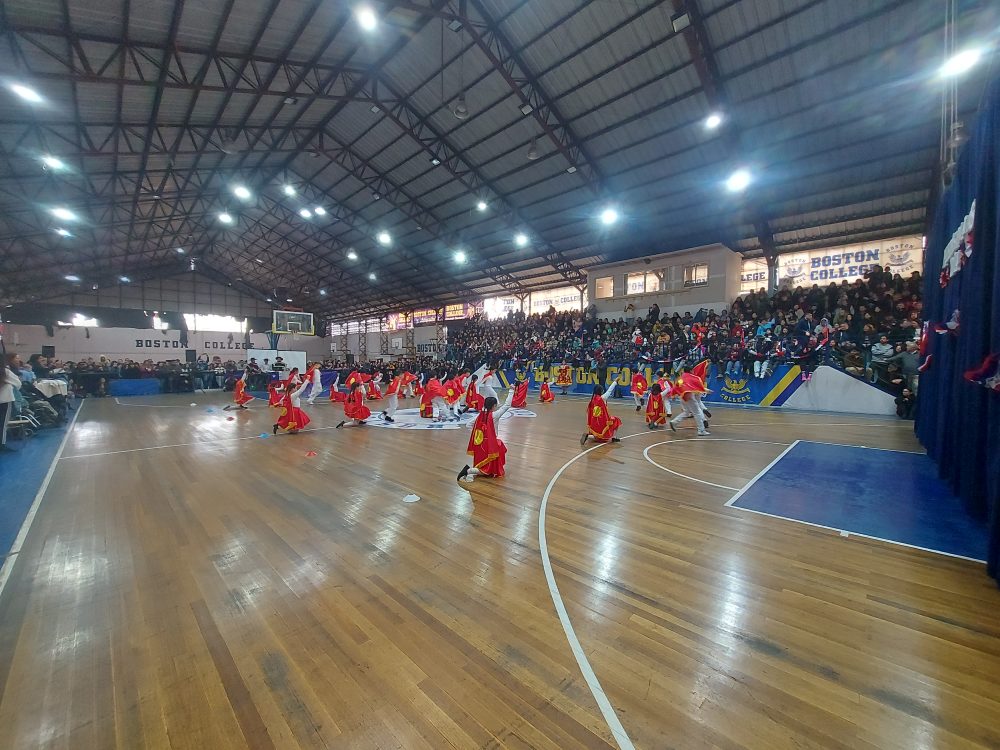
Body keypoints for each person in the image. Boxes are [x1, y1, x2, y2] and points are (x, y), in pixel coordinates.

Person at [457, 388, 515, 484]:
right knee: (487, 467)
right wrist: (511, 391)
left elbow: (469, 425)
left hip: (479, 444)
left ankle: (473, 472)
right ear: (494, 406)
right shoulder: (494, 415)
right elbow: (507, 405)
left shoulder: (480, 415)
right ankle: (468, 471)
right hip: (490, 445)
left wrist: (479, 436)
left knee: (485, 462)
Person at [669, 362, 710, 436]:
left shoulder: (680, 378)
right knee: (697, 413)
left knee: (686, 412)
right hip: (689, 397)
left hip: (682, 397)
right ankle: (701, 430)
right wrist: (706, 390)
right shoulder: (693, 377)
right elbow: (697, 386)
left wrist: (673, 395)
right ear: (691, 371)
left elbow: (675, 387)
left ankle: (674, 422)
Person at [580, 381, 622, 446]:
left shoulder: (593, 399)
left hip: (594, 422)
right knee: (617, 420)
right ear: (601, 391)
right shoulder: (602, 398)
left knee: (597, 437)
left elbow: (589, 412)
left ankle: (588, 436)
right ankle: (614, 437)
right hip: (602, 421)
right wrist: (615, 382)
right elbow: (609, 390)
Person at [2, 353, 23, 452]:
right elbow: (18, 384)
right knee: (2, 423)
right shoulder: (5, 371)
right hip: (4, 400)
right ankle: (1, 444)